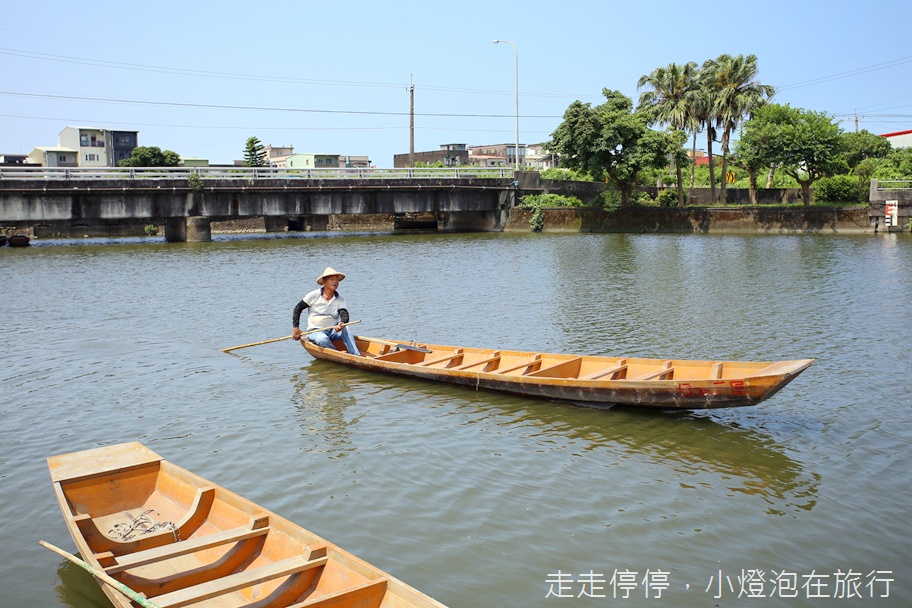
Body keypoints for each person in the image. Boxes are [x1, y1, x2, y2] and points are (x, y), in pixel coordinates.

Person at [292, 267, 360, 355]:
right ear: (324, 281)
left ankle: (355, 354)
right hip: (315, 331)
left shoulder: (340, 299)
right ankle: (337, 354)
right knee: (322, 339)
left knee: (346, 327)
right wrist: (296, 328)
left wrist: (341, 324)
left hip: (333, 330)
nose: (335, 282)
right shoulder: (313, 296)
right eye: (331, 279)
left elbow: (344, 314)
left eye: (336, 280)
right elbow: (297, 309)